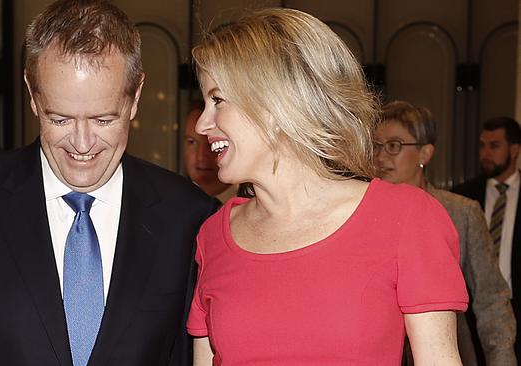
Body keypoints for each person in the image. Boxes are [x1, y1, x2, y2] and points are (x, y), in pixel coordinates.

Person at [0, 1, 218, 365]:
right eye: (60, 119)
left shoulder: (190, 217)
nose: (82, 144)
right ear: (33, 93)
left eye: (104, 119)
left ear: (135, 96)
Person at [186, 8, 468, 365]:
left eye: (218, 100)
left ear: (276, 104)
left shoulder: (406, 218)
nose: (202, 124)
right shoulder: (213, 235)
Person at [375, 101, 517, 366]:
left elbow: (491, 302)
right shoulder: (363, 212)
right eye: (377, 145)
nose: (382, 157)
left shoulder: (460, 212)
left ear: (424, 154)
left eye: (394, 145)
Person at [453, 116, 521, 358]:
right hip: (475, 313)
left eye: (494, 146)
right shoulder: (462, 197)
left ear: (514, 150)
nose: (485, 153)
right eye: (482, 145)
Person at [183, 100, 236, 202]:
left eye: (213, 144)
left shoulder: (253, 207)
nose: (201, 156)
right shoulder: (169, 203)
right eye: (191, 142)